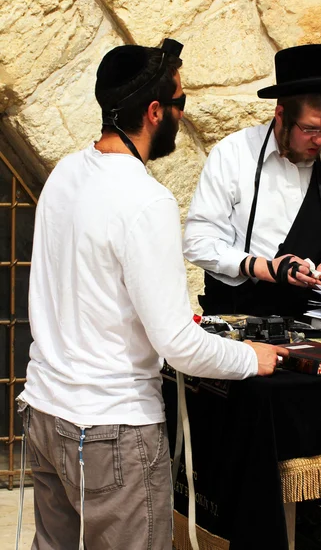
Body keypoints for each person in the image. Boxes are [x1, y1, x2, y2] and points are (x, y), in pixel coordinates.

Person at [17, 39, 288, 550]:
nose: (184, 117)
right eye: (181, 103)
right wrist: (252, 358)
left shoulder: (63, 174)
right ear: (155, 111)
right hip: (108, 428)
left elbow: (82, 288)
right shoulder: (147, 199)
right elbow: (178, 345)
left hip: (47, 413)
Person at [183, 44, 321, 318]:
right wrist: (263, 267)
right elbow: (198, 242)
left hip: (312, 325)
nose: (319, 140)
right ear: (281, 115)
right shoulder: (235, 154)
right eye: (309, 129)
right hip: (242, 321)